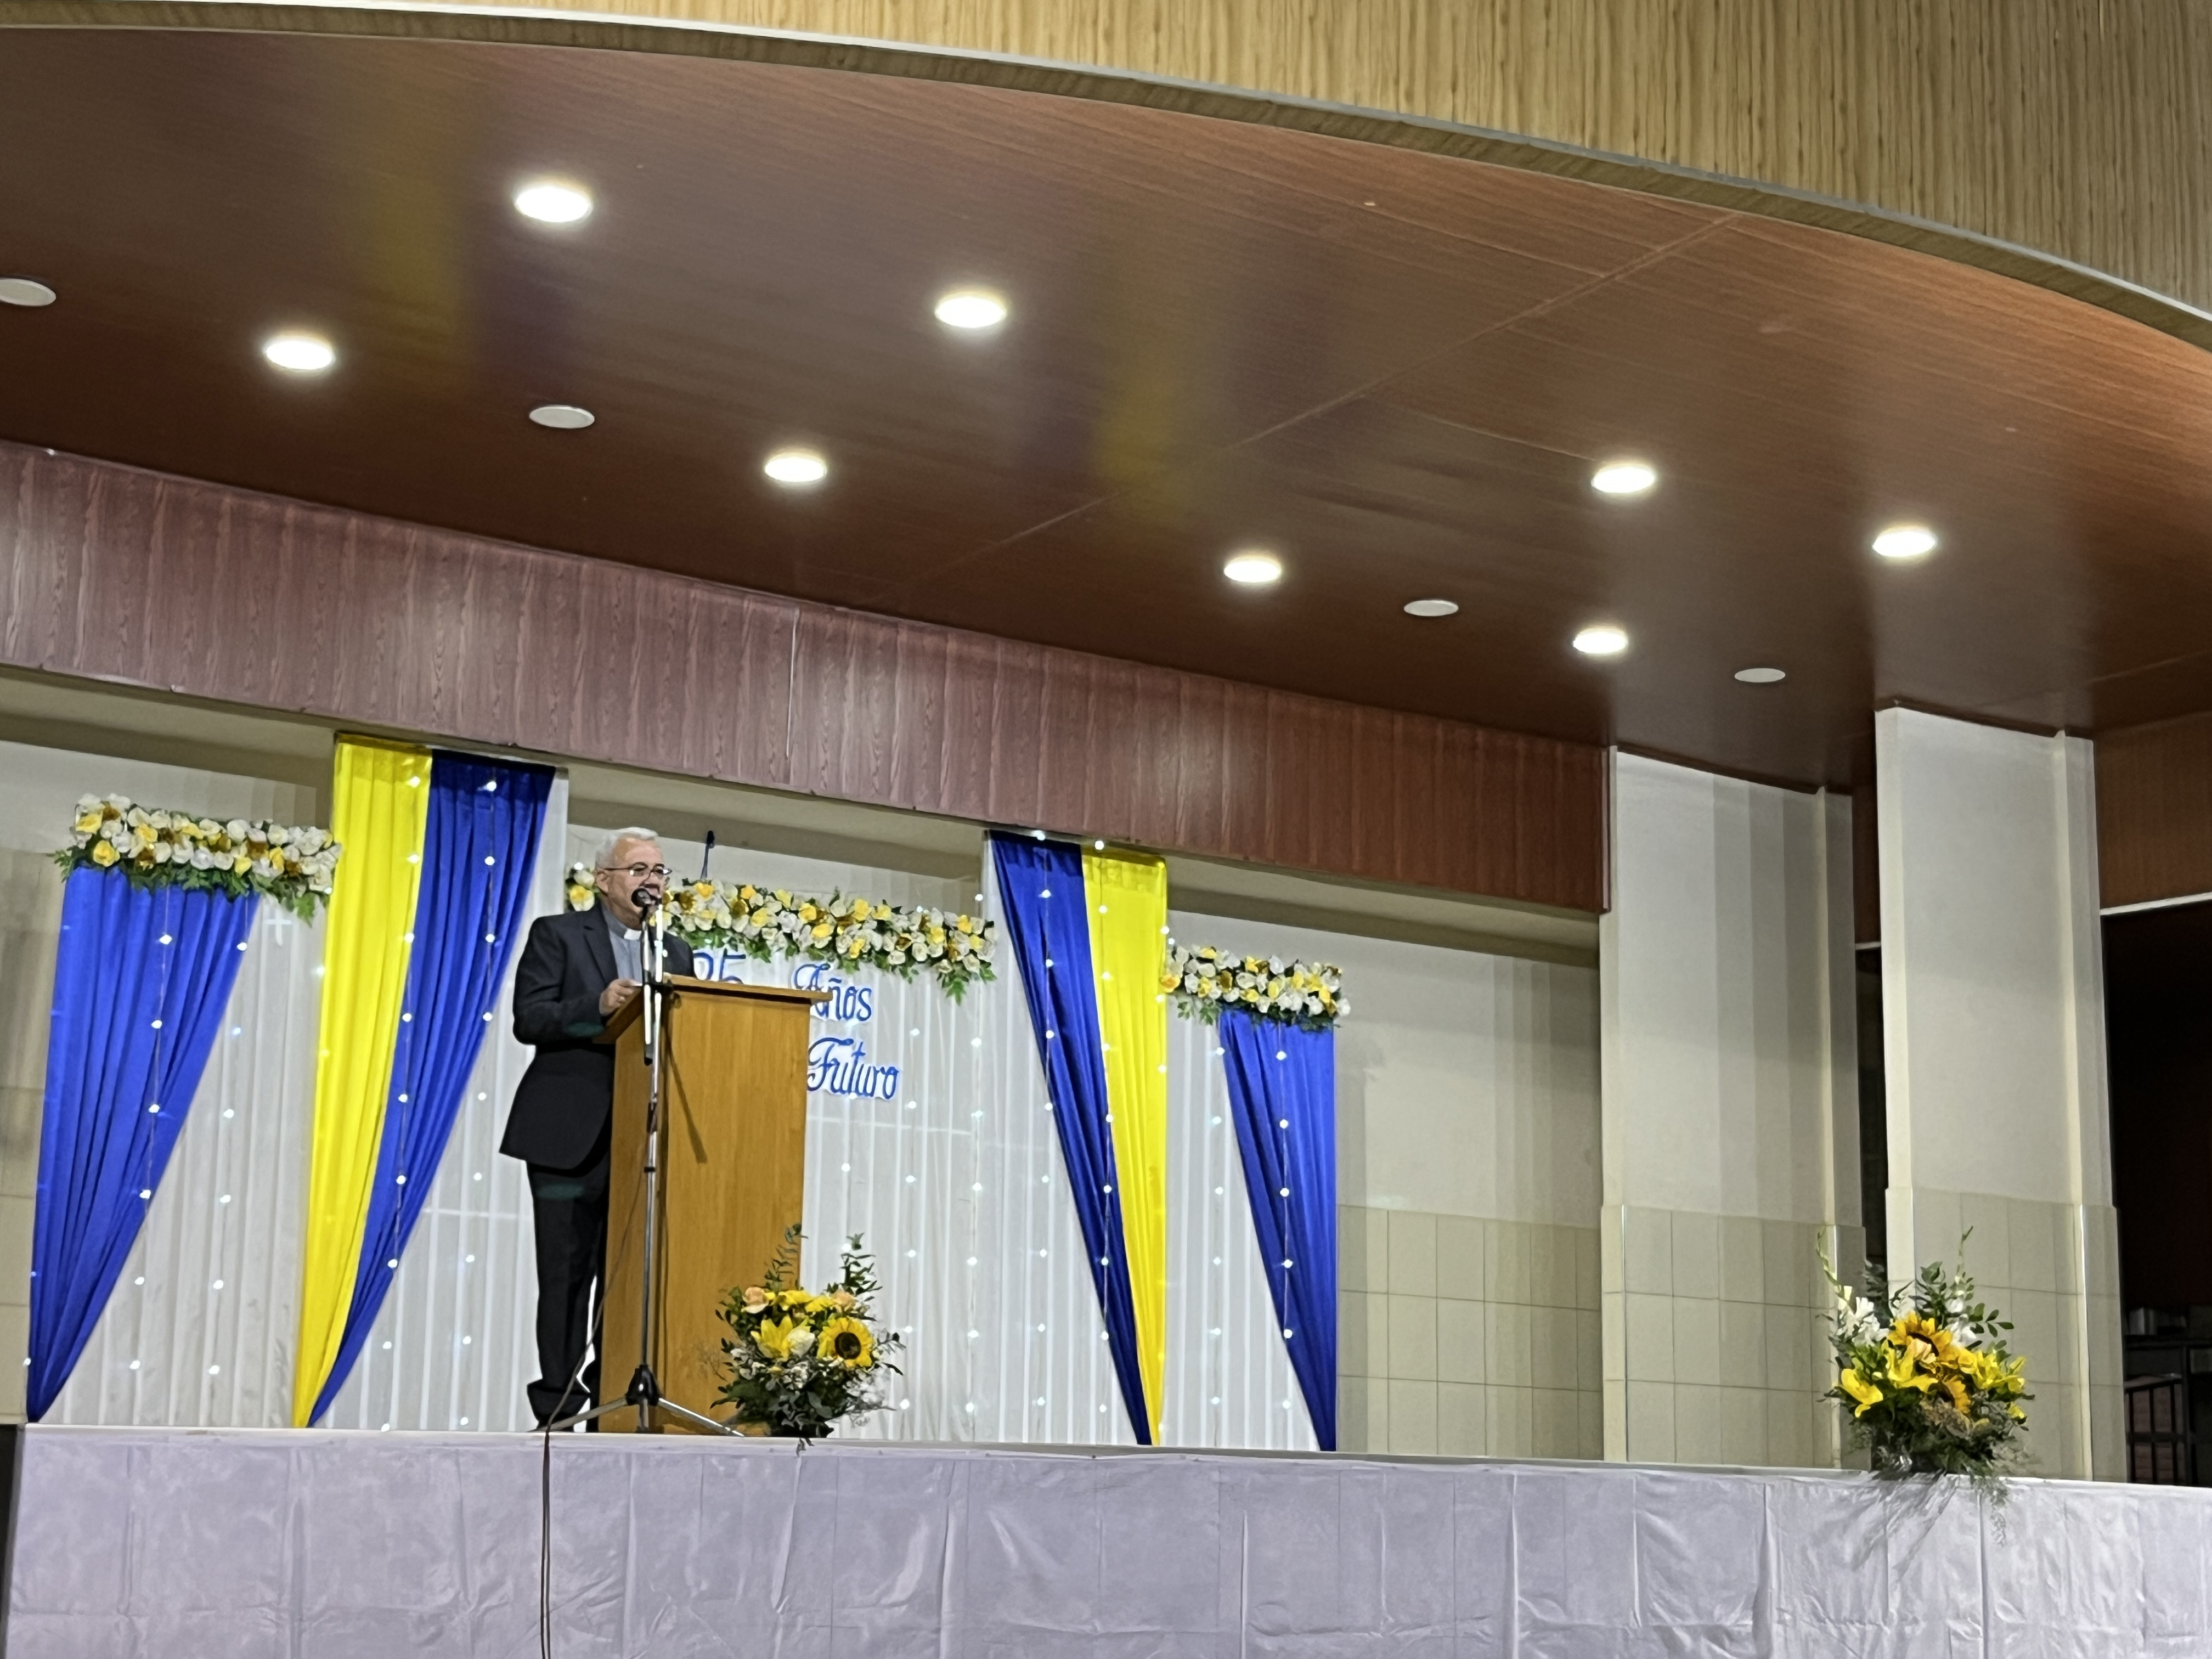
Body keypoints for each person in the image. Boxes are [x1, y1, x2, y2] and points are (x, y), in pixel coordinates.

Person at [503, 827, 694, 1426]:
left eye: (659, 871)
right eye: (639, 870)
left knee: (625, 1278)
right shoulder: (558, 934)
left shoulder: (676, 952)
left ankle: (610, 1401)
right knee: (565, 1279)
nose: (651, 881)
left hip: (642, 1139)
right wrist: (598, 1006)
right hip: (568, 1138)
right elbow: (529, 1018)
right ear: (604, 880)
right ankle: (556, 1410)